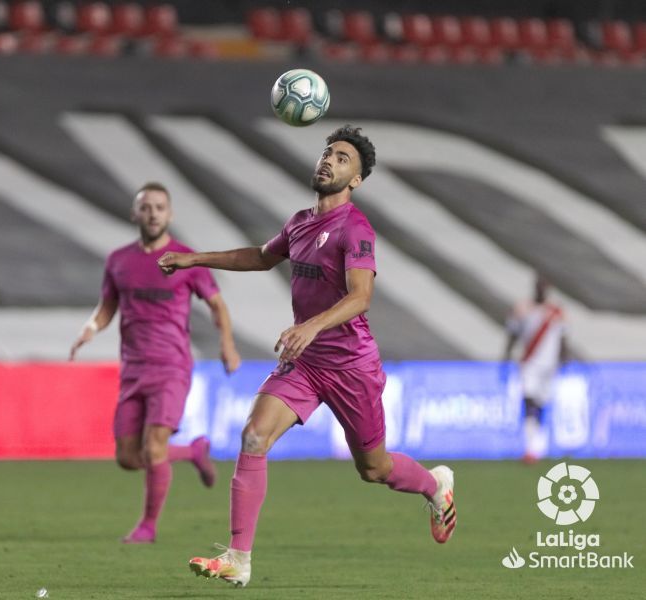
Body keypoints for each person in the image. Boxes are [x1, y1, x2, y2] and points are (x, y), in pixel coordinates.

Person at [158, 125, 455, 587]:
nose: (328, 161)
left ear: (355, 180)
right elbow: (259, 257)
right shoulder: (299, 222)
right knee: (254, 437)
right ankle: (239, 559)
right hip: (306, 361)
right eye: (327, 153)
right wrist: (193, 259)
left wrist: (311, 325)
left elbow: (361, 297)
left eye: (341, 159)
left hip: (350, 364)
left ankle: (436, 485)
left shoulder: (356, 228)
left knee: (373, 469)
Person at [69, 181, 241, 544]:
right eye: (146, 207)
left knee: (153, 448)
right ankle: (193, 451)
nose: (153, 214)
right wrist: (90, 328)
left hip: (172, 367)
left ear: (170, 214)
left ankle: (147, 527)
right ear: (135, 214)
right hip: (133, 368)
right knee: (128, 457)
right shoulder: (119, 261)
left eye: (159, 207)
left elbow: (217, 305)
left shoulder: (186, 259)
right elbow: (107, 307)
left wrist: (227, 345)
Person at [504, 275, 568, 464]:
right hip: (529, 364)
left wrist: (564, 358)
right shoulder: (523, 309)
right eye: (538, 286)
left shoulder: (556, 311)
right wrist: (506, 356)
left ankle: (537, 446)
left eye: (544, 286)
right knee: (529, 400)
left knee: (540, 403)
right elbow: (512, 335)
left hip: (549, 366)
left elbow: (564, 338)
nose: (541, 289)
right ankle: (531, 447)